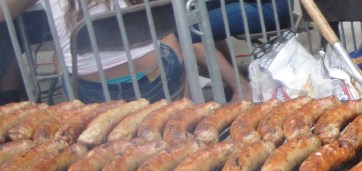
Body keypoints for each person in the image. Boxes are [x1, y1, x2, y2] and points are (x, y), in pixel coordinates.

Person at [44, 0, 249, 102]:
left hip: (91, 95)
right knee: (172, 35)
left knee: (59, 55)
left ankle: (76, 109)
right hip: (155, 85)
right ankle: (180, 109)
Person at [189, 0, 292, 44]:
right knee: (196, 13)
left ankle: (241, 86)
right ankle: (230, 74)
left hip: (272, 7)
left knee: (191, 30)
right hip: (260, 4)